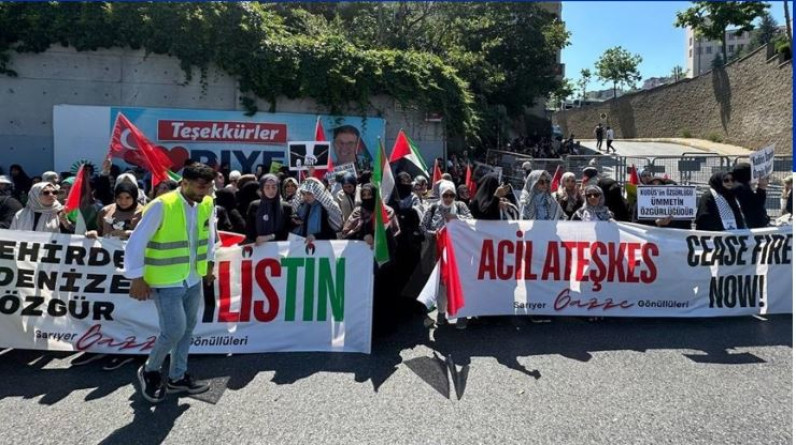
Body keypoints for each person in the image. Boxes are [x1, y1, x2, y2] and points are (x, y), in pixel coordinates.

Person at [125, 163, 216, 403]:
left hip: (193, 277)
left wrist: (209, 264)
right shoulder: (161, 206)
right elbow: (136, 242)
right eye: (200, 187)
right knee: (174, 330)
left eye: (208, 187)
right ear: (184, 182)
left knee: (187, 330)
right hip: (167, 279)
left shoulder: (206, 203)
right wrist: (136, 277)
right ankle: (150, 370)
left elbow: (210, 235)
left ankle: (177, 377)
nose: (204, 192)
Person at [420, 180, 472, 329]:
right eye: (445, 195)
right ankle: (441, 313)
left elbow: (471, 221)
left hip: (459, 253)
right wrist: (434, 234)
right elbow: (422, 227)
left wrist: (457, 219)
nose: (448, 198)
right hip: (439, 254)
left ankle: (461, 314)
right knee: (442, 286)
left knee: (460, 284)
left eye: (451, 195)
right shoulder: (433, 207)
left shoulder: (461, 207)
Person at [246, 174, 295, 244]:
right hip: (259, 248)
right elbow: (249, 229)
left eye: (274, 187)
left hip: (280, 249)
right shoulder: (254, 206)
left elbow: (288, 231)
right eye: (267, 187)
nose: (271, 190)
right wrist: (256, 238)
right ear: (262, 188)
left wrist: (270, 237)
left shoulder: (286, 207)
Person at [291, 177, 343, 241]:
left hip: (323, 246)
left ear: (317, 192)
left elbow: (333, 232)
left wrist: (316, 236)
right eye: (303, 194)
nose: (306, 197)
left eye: (309, 193)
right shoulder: (303, 207)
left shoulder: (326, 207)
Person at [731, 163, 769, 228]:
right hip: (749, 227)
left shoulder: (739, 186)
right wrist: (761, 187)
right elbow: (757, 205)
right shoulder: (741, 188)